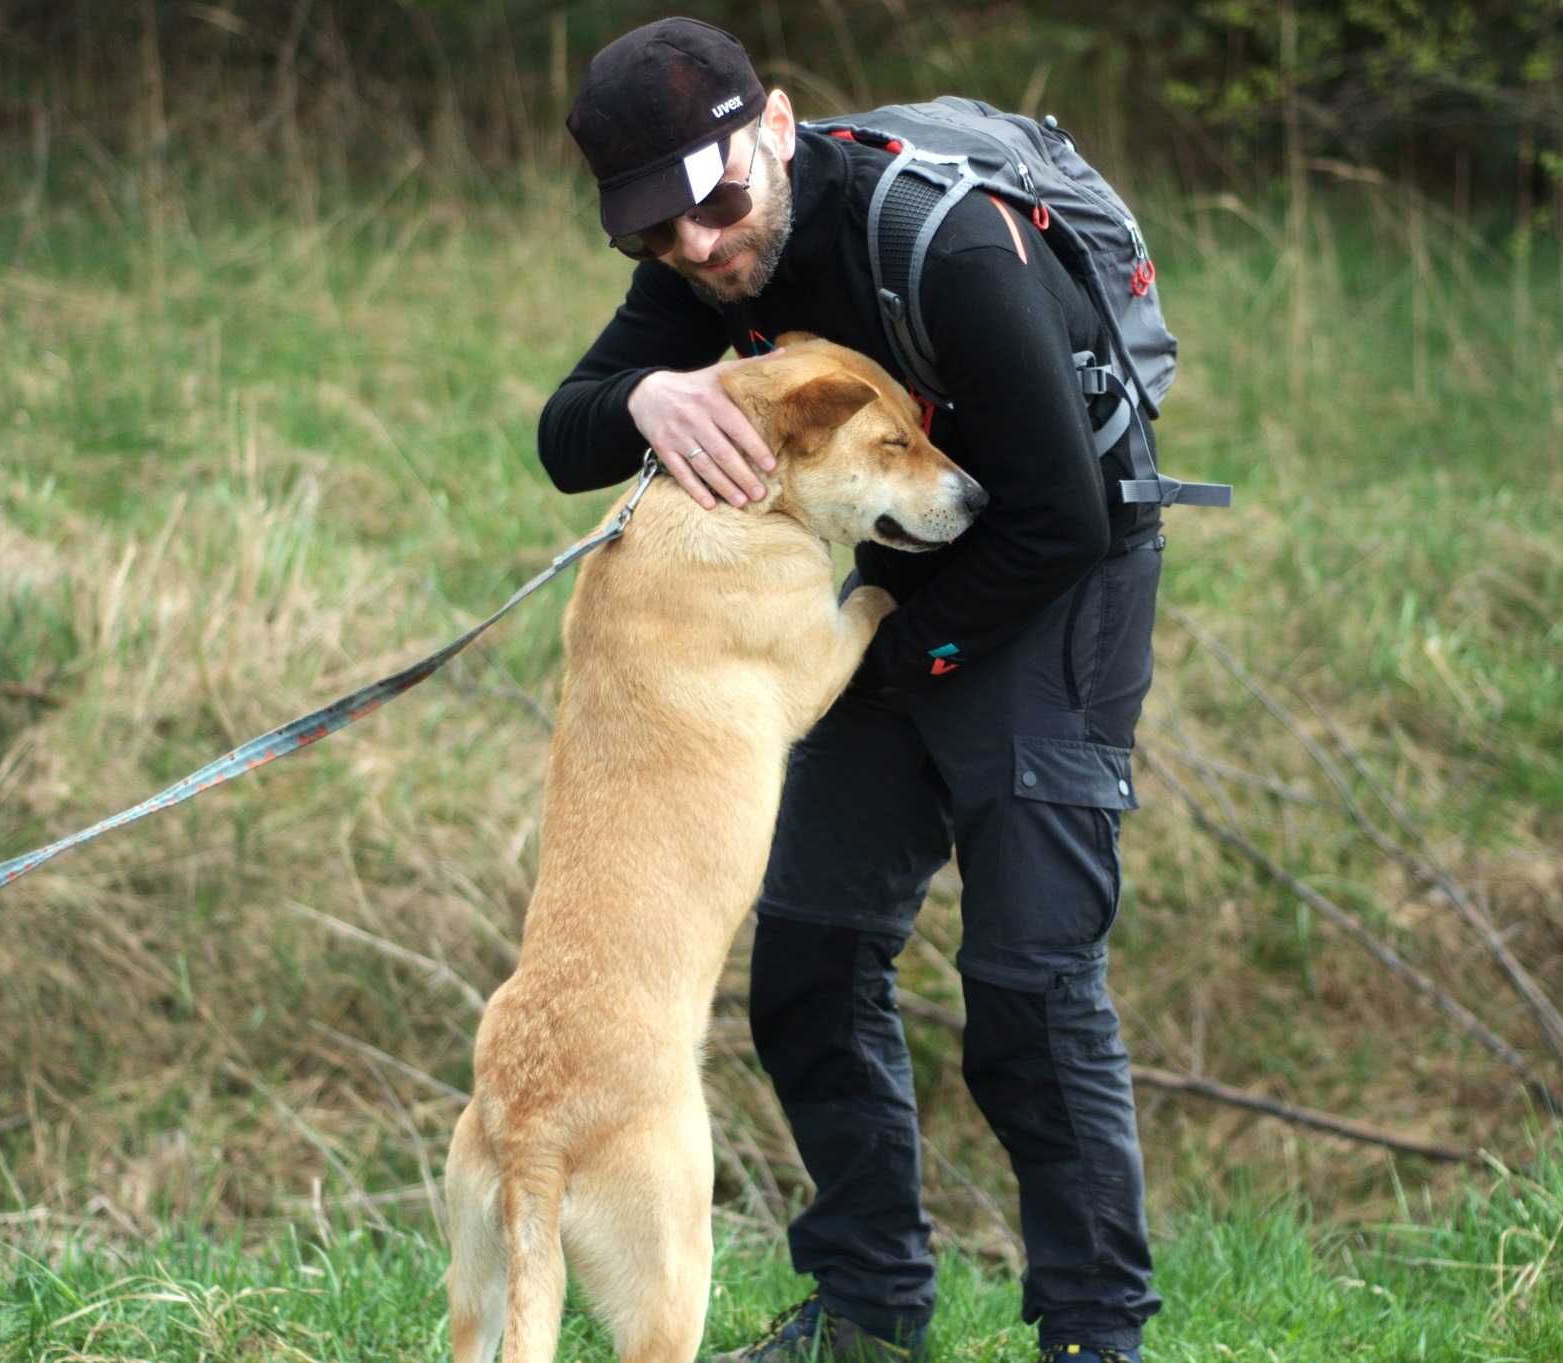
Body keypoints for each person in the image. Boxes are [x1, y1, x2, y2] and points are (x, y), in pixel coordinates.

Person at [539, 18, 1164, 1363]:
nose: (697, 250)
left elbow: (1062, 515)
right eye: (653, 240)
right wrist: (649, 391)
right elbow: (563, 434)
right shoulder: (709, 273)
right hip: (879, 595)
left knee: (1026, 985)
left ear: (771, 126)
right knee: (811, 957)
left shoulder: (941, 245)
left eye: (709, 205)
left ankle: (1094, 1333)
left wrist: (898, 650)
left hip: (1056, 582)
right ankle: (872, 1314)